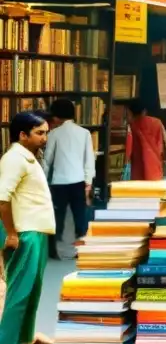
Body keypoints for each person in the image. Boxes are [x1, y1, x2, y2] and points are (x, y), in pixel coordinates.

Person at [0, 112, 55, 344]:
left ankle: (22, 338)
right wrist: (11, 233)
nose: (45, 138)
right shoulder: (14, 159)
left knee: (33, 288)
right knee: (20, 288)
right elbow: (2, 199)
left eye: (46, 133)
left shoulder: (29, 159)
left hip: (36, 230)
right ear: (23, 135)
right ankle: (7, 342)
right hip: (24, 231)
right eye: (39, 133)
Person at [42, 98, 96, 258]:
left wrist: (43, 180)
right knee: (80, 216)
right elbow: (89, 160)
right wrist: (88, 183)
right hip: (79, 182)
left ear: (56, 117)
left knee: (57, 217)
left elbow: (47, 160)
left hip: (58, 183)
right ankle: (81, 250)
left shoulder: (53, 134)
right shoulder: (85, 133)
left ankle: (53, 251)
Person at [125, 99, 166, 181]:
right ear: (144, 111)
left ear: (130, 113)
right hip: (155, 172)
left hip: (137, 174)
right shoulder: (158, 123)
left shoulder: (131, 127)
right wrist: (162, 159)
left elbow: (127, 153)